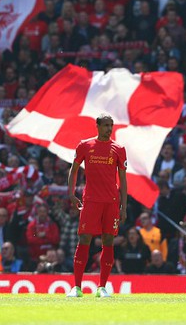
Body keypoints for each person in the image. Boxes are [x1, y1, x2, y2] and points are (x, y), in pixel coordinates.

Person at [67, 114, 127, 298]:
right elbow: (74, 169)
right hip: (91, 200)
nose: (109, 128)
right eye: (106, 125)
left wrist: (123, 207)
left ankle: (102, 287)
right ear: (97, 126)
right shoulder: (85, 145)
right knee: (84, 239)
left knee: (108, 242)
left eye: (111, 125)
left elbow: (123, 180)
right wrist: (71, 193)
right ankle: (77, 287)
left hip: (111, 202)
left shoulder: (119, 149)